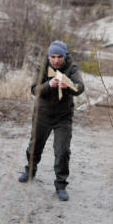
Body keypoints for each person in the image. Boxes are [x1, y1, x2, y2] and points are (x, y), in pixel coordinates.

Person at [18, 40, 85, 202]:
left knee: (62, 151)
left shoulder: (72, 68)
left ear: (64, 56)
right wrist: (49, 84)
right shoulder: (42, 68)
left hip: (63, 117)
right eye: (53, 56)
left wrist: (68, 86)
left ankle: (61, 185)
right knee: (35, 145)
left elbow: (80, 87)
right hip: (42, 114)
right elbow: (34, 90)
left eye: (59, 56)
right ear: (49, 56)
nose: (56, 60)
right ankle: (30, 171)